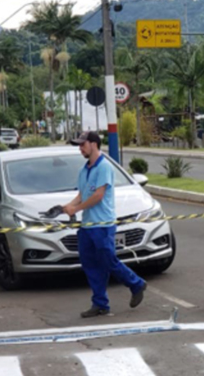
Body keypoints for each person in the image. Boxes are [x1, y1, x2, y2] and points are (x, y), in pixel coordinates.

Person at [59, 132, 146, 318]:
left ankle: (136, 283)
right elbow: (83, 194)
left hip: (102, 224)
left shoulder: (104, 167)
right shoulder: (84, 170)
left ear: (94, 144)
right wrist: (69, 206)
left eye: (83, 144)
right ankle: (100, 303)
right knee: (90, 264)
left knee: (108, 261)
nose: (80, 148)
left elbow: (98, 195)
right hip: (87, 226)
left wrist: (76, 208)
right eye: (79, 145)